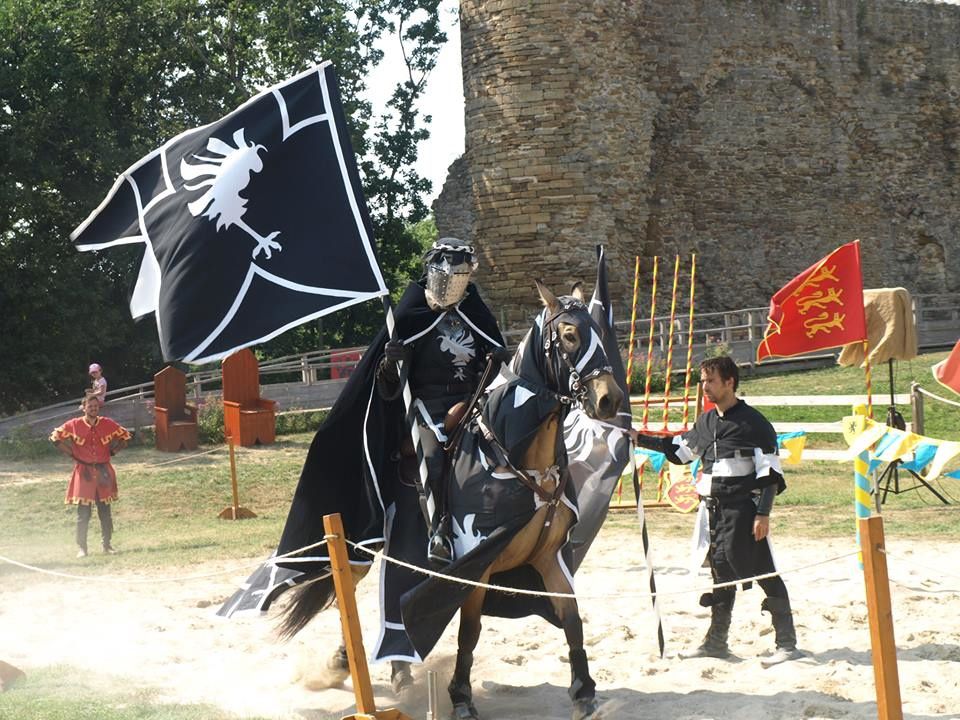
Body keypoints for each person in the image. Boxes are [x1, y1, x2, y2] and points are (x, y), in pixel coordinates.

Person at [632, 355, 803, 667]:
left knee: (764, 571)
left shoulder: (755, 424)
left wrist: (762, 514)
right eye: (703, 380)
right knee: (720, 575)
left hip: (744, 513)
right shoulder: (707, 421)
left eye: (710, 381)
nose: (705, 387)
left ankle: (787, 644)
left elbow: (769, 474)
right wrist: (639, 438)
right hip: (712, 512)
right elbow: (681, 453)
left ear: (729, 382)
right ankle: (716, 642)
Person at [376, 237, 507, 566]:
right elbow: (385, 379)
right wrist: (392, 360)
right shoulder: (411, 311)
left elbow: (493, 353)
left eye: (458, 272)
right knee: (432, 456)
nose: (449, 278)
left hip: (473, 400)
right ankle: (440, 531)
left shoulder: (474, 310)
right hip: (427, 405)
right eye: (444, 269)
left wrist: (496, 359)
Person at [50, 394, 131, 558]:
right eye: (90, 406)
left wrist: (113, 451)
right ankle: (82, 548)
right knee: (83, 513)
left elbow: (125, 437)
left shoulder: (107, 423)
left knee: (105, 512)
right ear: (84, 408)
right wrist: (72, 454)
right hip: (84, 472)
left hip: (103, 472)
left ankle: (107, 545)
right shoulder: (74, 424)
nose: (93, 408)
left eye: (95, 406)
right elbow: (55, 438)